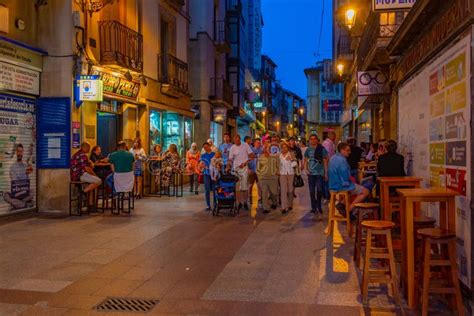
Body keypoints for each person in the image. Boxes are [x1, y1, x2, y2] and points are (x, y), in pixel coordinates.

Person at [328, 142, 369, 216]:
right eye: (348, 150)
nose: (349, 152)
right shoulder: (342, 160)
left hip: (333, 184)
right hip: (341, 185)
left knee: (352, 190)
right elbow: (345, 177)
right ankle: (349, 209)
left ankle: (342, 204)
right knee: (365, 191)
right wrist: (352, 182)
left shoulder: (333, 158)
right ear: (342, 150)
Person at [227, 134, 254, 211]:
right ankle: (239, 203)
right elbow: (230, 159)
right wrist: (228, 165)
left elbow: (252, 156)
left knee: (244, 187)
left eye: (238, 140)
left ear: (240, 139)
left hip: (244, 168)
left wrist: (245, 163)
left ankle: (245, 202)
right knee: (237, 188)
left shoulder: (245, 145)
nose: (236, 141)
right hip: (236, 169)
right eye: (235, 140)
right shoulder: (232, 148)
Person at [70, 142, 102, 207]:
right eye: (88, 148)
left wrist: (90, 162)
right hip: (80, 175)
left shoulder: (77, 154)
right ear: (84, 147)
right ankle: (83, 192)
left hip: (76, 175)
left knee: (93, 186)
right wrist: (95, 176)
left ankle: (90, 205)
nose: (89, 149)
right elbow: (87, 169)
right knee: (99, 181)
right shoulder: (83, 155)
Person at [4, 144, 34, 210]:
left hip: (24, 192)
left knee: (32, 191)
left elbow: (27, 181)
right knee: (5, 195)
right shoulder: (12, 167)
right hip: (16, 193)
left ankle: (16, 205)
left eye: (21, 151)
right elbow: (15, 182)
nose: (20, 153)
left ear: (23, 152)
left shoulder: (26, 166)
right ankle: (24, 204)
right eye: (18, 151)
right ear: (16, 152)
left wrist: (29, 169)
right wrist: (24, 174)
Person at [304, 135, 328, 217]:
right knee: (311, 191)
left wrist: (326, 173)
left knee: (319, 190)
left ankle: (319, 206)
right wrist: (306, 169)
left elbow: (325, 161)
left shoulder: (322, 149)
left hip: (319, 173)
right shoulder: (308, 150)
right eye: (311, 139)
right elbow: (305, 160)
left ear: (317, 140)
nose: (313, 140)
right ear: (309, 140)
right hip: (311, 173)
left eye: (314, 139)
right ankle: (313, 207)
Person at [257, 143, 280, 214]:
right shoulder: (261, 157)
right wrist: (259, 177)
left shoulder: (275, 157)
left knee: (273, 192)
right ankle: (265, 207)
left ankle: (274, 203)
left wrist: (277, 173)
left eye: (268, 148)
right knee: (264, 193)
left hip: (273, 178)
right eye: (265, 148)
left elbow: (278, 165)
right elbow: (258, 168)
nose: (266, 149)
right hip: (263, 178)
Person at [279, 142, 297, 214]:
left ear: (288, 147)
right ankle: (283, 207)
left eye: (285, 147)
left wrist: (292, 159)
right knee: (283, 190)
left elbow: (295, 164)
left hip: (290, 173)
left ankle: (290, 204)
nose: (284, 149)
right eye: (282, 147)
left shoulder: (291, 154)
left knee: (290, 190)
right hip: (282, 174)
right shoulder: (279, 155)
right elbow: (277, 164)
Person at [199, 142, 215, 210]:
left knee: (215, 189)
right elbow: (200, 164)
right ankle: (208, 205)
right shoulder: (203, 155)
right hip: (206, 174)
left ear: (209, 146)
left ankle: (215, 203)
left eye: (206, 147)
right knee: (207, 190)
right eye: (204, 147)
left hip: (214, 174)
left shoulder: (214, 154)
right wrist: (202, 165)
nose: (205, 148)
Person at [248, 138, 263, 206]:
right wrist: (248, 168)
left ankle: (260, 198)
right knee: (250, 185)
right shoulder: (250, 150)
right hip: (252, 170)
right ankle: (250, 198)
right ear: (254, 143)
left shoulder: (261, 150)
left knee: (260, 185)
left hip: (260, 171)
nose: (259, 144)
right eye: (258, 143)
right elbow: (247, 159)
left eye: (259, 143)